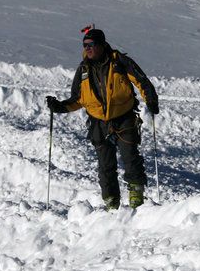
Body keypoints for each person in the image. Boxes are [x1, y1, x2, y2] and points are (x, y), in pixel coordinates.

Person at [46, 26, 159, 209]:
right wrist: (59, 107)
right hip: (98, 123)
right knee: (105, 167)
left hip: (124, 118)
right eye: (85, 45)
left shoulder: (119, 62)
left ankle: (136, 200)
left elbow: (141, 81)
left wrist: (151, 100)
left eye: (91, 44)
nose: (87, 48)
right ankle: (111, 204)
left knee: (130, 158)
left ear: (102, 44)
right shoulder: (83, 70)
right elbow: (78, 99)